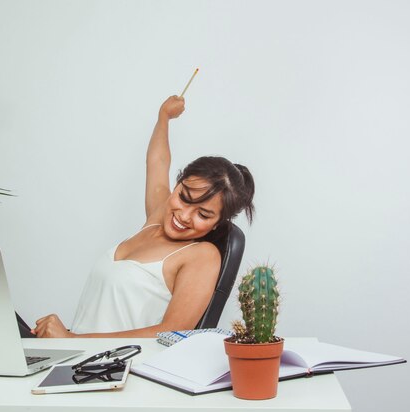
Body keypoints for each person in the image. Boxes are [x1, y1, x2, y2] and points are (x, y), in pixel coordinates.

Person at [33, 95, 255, 338]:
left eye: (203, 214)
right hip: (75, 358)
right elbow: (157, 162)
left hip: (114, 368)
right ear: (178, 184)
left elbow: (171, 333)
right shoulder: (156, 222)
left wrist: (73, 340)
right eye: (184, 197)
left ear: (217, 223)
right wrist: (164, 116)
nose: (184, 215)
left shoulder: (202, 256)